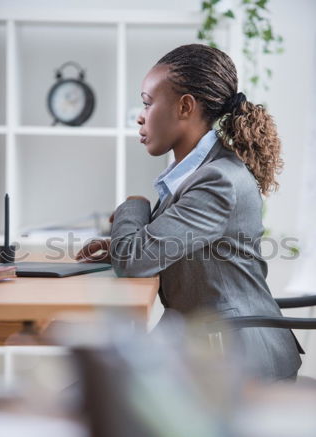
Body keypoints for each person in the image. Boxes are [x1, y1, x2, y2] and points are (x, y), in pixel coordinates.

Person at [76, 44, 303, 381]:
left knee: (91, 396)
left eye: (147, 103)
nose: (140, 115)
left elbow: (134, 260)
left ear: (185, 107)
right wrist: (116, 247)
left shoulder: (216, 180)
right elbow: (174, 247)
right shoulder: (204, 173)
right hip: (204, 341)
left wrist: (134, 205)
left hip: (233, 357)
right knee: (91, 391)